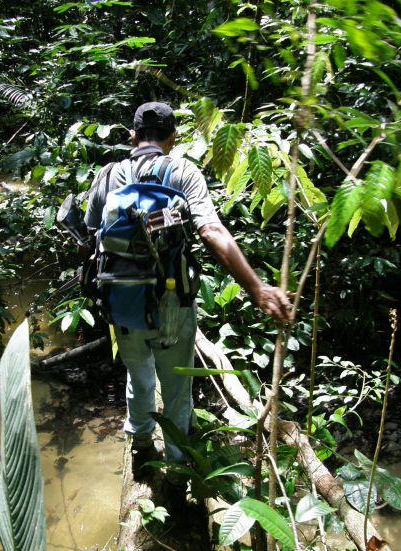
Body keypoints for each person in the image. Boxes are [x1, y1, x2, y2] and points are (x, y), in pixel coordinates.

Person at [84, 102, 290, 478]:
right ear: (173, 139)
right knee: (177, 384)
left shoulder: (109, 174)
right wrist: (257, 289)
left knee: (138, 374)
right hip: (171, 303)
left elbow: (89, 233)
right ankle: (177, 465)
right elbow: (211, 231)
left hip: (122, 303)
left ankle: (142, 446)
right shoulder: (182, 171)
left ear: (132, 137)